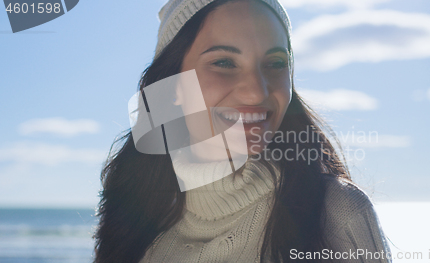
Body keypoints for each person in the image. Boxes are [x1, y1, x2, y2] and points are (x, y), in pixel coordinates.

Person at [93, 0, 393, 262]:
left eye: (275, 63)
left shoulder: (336, 213)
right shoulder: (132, 233)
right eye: (224, 62)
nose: (255, 92)